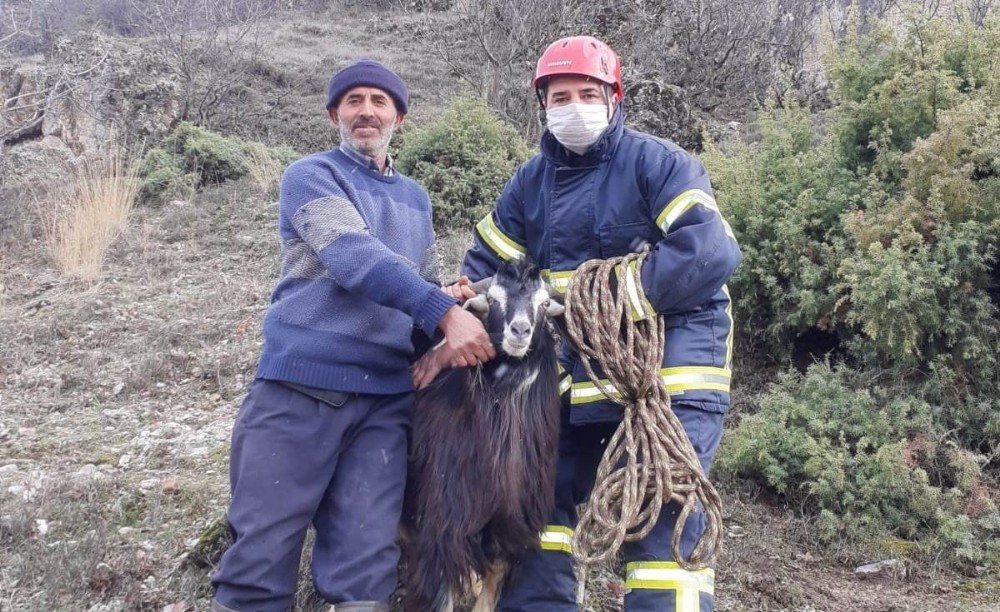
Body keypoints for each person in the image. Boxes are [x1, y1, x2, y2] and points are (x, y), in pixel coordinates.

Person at [457, 36, 741, 612]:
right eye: (560, 96)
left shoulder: (658, 164)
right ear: (542, 105)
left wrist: (621, 297)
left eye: (588, 93)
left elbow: (711, 249)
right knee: (537, 512)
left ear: (615, 97)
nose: (574, 105)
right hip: (567, 385)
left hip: (665, 388)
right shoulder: (529, 184)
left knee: (661, 531)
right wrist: (462, 309)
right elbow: (484, 270)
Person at [210, 59, 492, 612]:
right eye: (354, 100)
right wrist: (441, 309)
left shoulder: (415, 198)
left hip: (384, 407)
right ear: (334, 114)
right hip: (298, 392)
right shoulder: (310, 176)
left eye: (379, 101)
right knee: (259, 564)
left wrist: (444, 298)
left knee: (365, 575)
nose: (367, 111)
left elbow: (417, 286)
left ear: (399, 118)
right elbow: (351, 256)